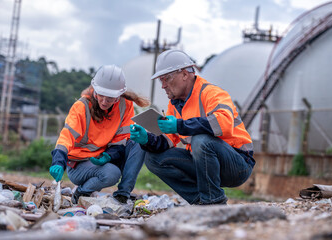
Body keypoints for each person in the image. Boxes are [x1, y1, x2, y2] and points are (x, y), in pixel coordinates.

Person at [130, 49, 255, 205]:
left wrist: (179, 125)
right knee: (153, 159)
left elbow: (223, 123)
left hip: (237, 165)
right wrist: (147, 139)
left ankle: (213, 201)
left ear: (184, 74)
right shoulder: (174, 105)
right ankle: (199, 200)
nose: (163, 86)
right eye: (160, 80)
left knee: (201, 140)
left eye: (166, 78)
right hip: (204, 163)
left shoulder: (212, 93)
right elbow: (167, 141)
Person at [49, 65, 150, 204]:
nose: (104, 101)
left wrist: (109, 156)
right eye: (101, 95)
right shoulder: (81, 107)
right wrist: (58, 161)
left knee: (139, 140)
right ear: (94, 90)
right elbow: (66, 136)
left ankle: (122, 195)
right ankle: (81, 192)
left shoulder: (125, 105)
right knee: (112, 174)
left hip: (103, 159)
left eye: (110, 98)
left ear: (118, 96)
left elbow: (123, 140)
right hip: (79, 165)